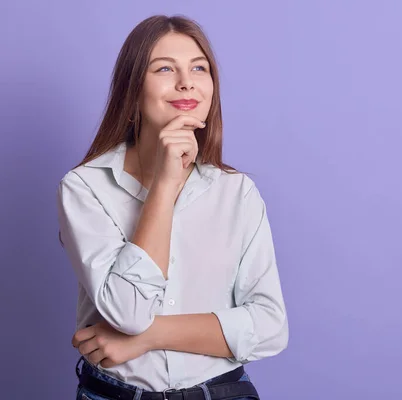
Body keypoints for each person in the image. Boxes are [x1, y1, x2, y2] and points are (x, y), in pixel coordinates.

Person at [56, 14, 288, 400]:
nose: (186, 81)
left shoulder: (237, 192)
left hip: (224, 392)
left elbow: (270, 327)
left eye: (199, 68)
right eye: (165, 68)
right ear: (132, 89)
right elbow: (128, 311)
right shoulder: (85, 187)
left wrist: (146, 337)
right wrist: (165, 184)